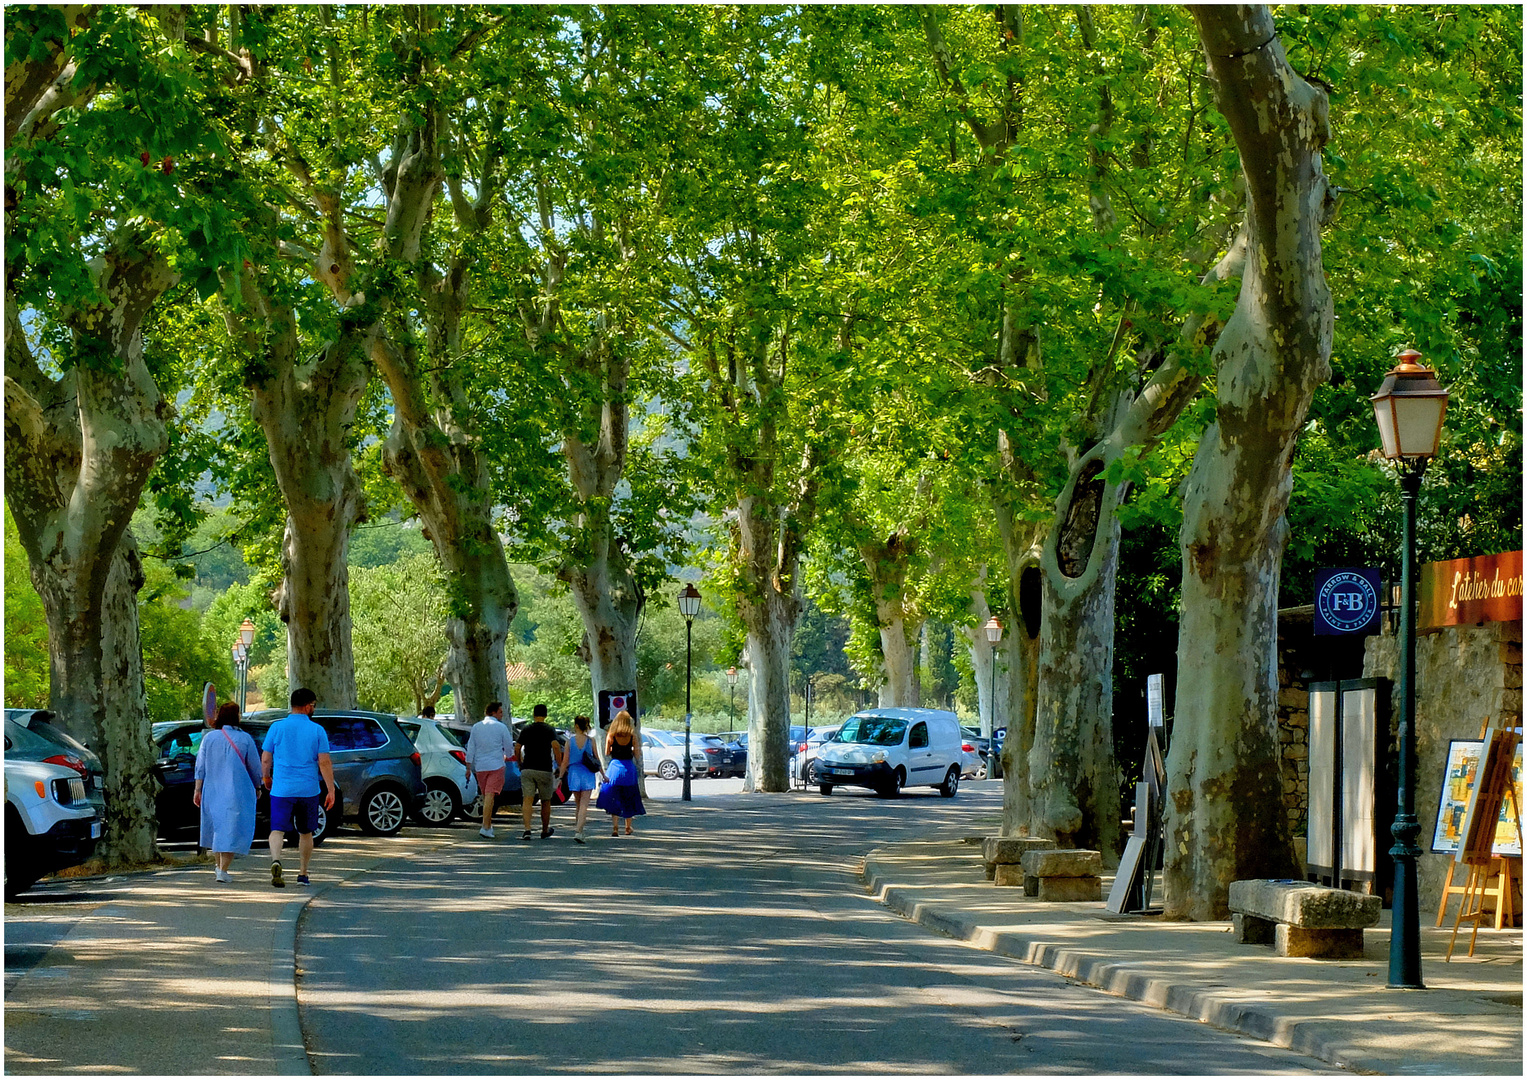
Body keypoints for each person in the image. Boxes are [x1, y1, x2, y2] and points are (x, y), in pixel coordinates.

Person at [261, 687, 337, 888]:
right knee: (306, 832)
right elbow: (324, 762)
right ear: (306, 706)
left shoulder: (276, 728)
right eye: (313, 705)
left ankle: (276, 860)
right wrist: (331, 789)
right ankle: (303, 873)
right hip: (308, 789)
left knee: (277, 829)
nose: (314, 709)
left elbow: (266, 758)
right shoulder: (317, 730)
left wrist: (266, 778)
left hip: (281, 788)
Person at [193, 702, 262, 883]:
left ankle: (218, 868)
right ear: (236, 716)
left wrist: (197, 789)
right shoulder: (245, 739)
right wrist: (258, 786)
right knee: (231, 829)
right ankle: (223, 869)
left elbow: (200, 767)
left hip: (212, 790)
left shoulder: (209, 738)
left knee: (217, 828)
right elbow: (255, 767)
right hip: (237, 791)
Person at [464, 700, 514, 838]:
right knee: (490, 796)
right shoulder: (501, 727)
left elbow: (471, 748)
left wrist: (468, 766)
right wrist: (507, 755)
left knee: (486, 796)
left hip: (480, 766)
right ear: (493, 712)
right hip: (496, 765)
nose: (501, 715)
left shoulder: (476, 727)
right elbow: (509, 746)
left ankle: (488, 825)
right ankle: (485, 826)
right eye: (500, 712)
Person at [516, 703, 564, 841]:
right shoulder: (549, 729)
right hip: (544, 769)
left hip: (528, 768)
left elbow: (518, 747)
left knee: (527, 799)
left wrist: (520, 762)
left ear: (533, 714)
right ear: (546, 715)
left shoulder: (526, 729)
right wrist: (559, 765)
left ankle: (527, 829)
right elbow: (555, 746)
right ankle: (544, 830)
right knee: (545, 801)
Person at [557, 715, 607, 844]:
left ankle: (579, 829)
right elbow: (596, 760)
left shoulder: (570, 741)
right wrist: (603, 774)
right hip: (587, 774)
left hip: (574, 773)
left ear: (576, 726)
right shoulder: (591, 741)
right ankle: (579, 831)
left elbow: (565, 761)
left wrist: (560, 777)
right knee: (584, 804)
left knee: (578, 804)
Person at [596, 709, 645, 836]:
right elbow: (637, 754)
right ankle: (628, 827)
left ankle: (615, 827)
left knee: (615, 797)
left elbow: (607, 752)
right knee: (629, 796)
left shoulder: (611, 735)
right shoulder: (632, 736)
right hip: (628, 768)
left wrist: (613, 748)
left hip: (615, 767)